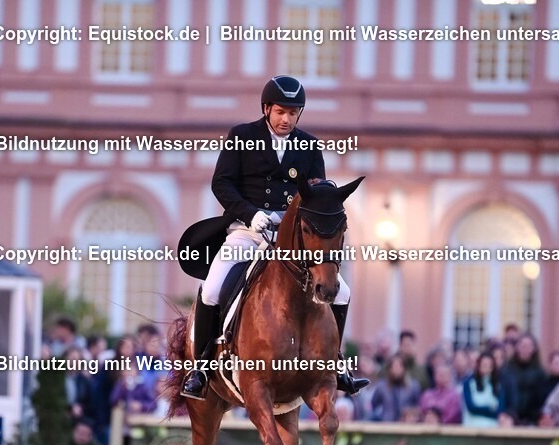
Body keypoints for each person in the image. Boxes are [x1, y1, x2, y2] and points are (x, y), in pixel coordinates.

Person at [179, 75, 367, 399]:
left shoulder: (309, 146)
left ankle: (335, 363)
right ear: (267, 109)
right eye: (281, 112)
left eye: (293, 113)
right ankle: (202, 368)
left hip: (291, 239)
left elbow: (316, 193)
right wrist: (251, 213)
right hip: (247, 231)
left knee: (342, 293)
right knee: (211, 289)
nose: (286, 120)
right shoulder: (242, 136)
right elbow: (221, 183)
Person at [462, 352, 509, 428]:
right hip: (472, 426)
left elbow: (499, 410)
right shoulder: (468, 383)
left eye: (489, 365)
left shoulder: (497, 385)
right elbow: (471, 407)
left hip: (492, 427)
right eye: (483, 364)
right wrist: (490, 409)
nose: (486, 367)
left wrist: (485, 409)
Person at [369, 354, 421, 422]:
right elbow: (374, 405)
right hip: (386, 423)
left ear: (404, 368)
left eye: (399, 366)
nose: (397, 370)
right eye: (394, 366)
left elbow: (417, 405)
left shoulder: (413, 386)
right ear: (389, 369)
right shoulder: (381, 386)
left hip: (406, 424)